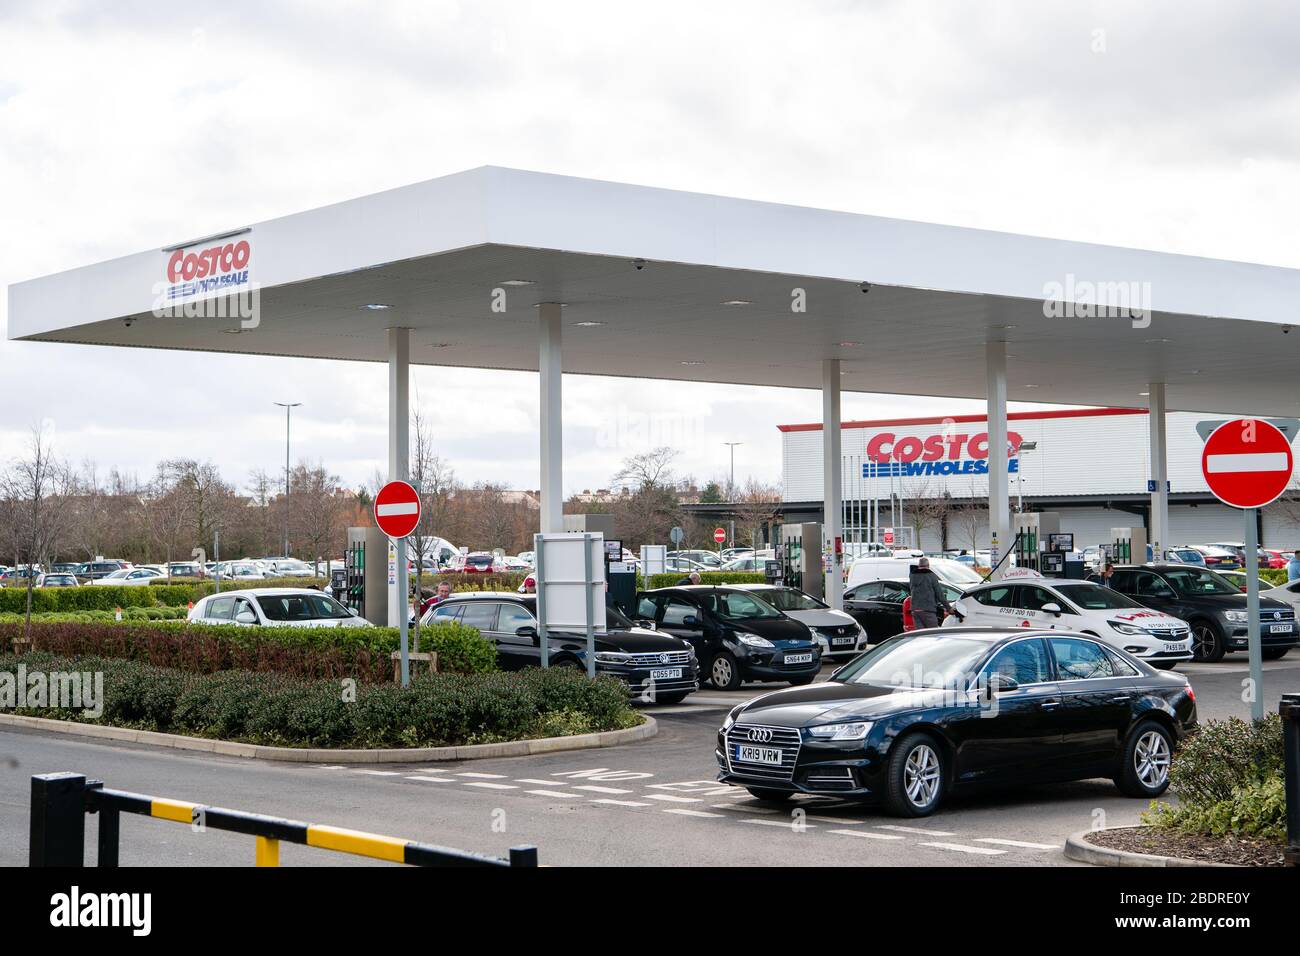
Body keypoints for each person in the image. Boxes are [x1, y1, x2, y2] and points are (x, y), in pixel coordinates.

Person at [908, 557, 948, 629]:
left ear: (919, 565)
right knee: (933, 634)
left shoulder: (912, 576)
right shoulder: (931, 575)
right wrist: (949, 608)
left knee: (921, 635)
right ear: (928, 566)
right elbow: (939, 594)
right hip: (928, 610)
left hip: (915, 610)